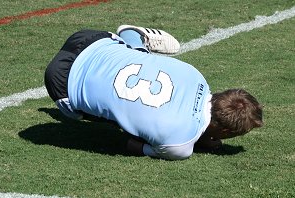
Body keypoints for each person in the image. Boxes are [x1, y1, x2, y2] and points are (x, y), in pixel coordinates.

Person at [44, 25, 263, 160]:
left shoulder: (196, 75)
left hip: (91, 38)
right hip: (61, 85)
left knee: (144, 60)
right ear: (224, 131)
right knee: (123, 125)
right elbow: (129, 144)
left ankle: (135, 38)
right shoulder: (180, 147)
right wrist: (199, 140)